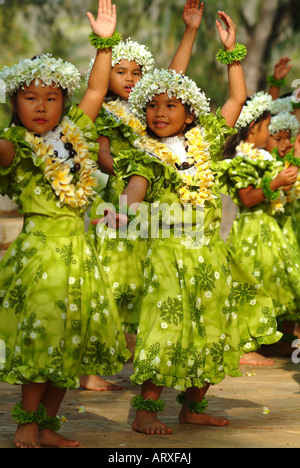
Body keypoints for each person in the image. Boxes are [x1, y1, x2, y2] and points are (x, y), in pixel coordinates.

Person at [93, 11, 282, 434]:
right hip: (166, 260)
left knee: (209, 330)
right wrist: (121, 214)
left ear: (191, 115)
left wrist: (232, 53)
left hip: (209, 255)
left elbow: (236, 102)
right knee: (165, 330)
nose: (160, 113)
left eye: (170, 105)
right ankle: (146, 410)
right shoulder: (144, 155)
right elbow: (133, 195)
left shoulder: (205, 143)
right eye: (152, 106)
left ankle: (193, 406)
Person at [0, 0, 130, 448]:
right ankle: (25, 423)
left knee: (70, 346)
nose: (41, 107)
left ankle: (50, 427)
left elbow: (96, 91)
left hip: (80, 255)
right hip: (41, 259)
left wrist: (105, 45)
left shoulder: (76, 130)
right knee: (42, 339)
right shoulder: (14, 145)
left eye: (51, 98)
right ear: (15, 104)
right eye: (30, 98)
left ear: (63, 103)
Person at [83, 0, 205, 392]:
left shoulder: (148, 108)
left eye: (137, 72)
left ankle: (140, 356)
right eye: (121, 71)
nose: (131, 79)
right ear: (105, 73)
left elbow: (175, 75)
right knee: (112, 285)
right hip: (123, 198)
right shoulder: (103, 110)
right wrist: (129, 166)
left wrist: (190, 31)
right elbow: (102, 154)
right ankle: (89, 369)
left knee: (141, 285)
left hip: (154, 203)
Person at [221, 92, 300, 363]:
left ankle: (280, 341)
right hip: (251, 230)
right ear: (252, 129)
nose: (269, 133)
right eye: (267, 128)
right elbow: (247, 198)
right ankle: (244, 347)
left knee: (283, 285)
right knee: (251, 285)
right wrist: (275, 183)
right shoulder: (241, 160)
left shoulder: (263, 158)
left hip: (269, 229)